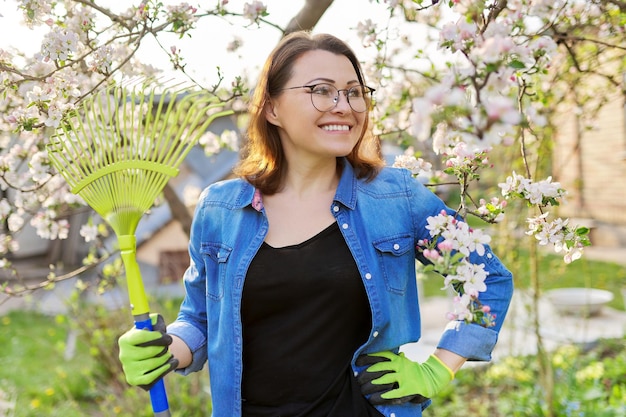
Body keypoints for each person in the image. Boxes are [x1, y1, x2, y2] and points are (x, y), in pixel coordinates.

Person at [118, 31, 514, 417]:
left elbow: (487, 278)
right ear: (272, 108)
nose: (343, 105)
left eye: (354, 92)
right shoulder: (220, 208)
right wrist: (166, 349)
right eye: (321, 90)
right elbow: (201, 318)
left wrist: (439, 367)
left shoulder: (397, 198)